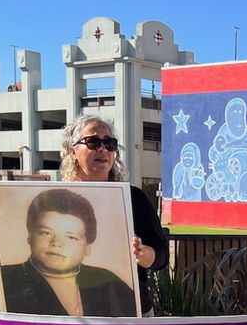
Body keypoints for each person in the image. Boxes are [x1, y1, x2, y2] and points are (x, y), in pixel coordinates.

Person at [58, 114, 169, 314]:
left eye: (109, 143)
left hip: (131, 313)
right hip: (71, 316)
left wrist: (145, 255)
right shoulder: (57, 200)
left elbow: (162, 255)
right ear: (72, 151)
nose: (102, 149)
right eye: (93, 142)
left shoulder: (134, 198)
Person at [0, 188, 137, 317]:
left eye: (71, 237)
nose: (56, 243)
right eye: (46, 233)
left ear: (87, 246)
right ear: (30, 236)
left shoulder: (109, 283)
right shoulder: (6, 279)